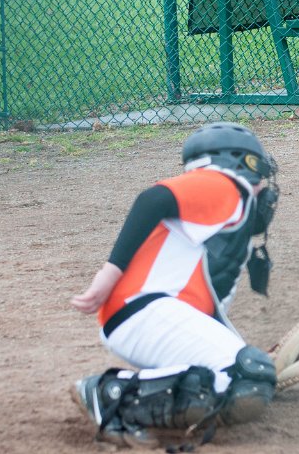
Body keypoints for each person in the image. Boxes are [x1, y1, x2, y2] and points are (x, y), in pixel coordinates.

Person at [69, 122, 281, 448]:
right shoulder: (224, 184)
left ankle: (128, 394)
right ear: (240, 164)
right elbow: (153, 199)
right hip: (145, 309)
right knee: (248, 374)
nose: (263, 184)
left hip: (149, 316)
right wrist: (109, 273)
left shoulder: (222, 215)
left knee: (245, 378)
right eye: (259, 172)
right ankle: (109, 392)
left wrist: (256, 361)